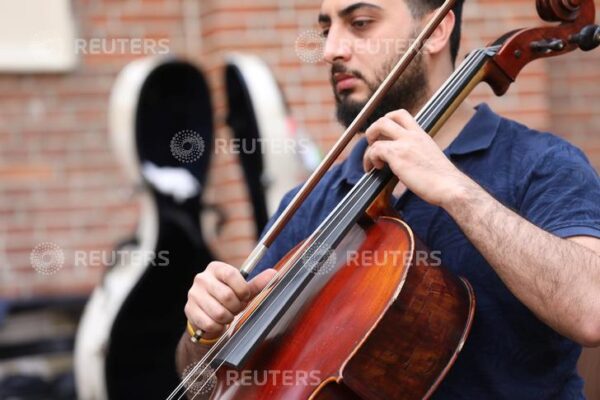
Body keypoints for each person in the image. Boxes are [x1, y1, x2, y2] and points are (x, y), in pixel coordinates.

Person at [176, 0, 600, 398]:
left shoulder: (540, 164)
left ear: (435, 31)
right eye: (326, 29)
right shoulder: (315, 200)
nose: (330, 50)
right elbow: (206, 383)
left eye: (360, 23)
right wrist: (204, 332)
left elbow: (591, 309)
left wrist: (458, 192)